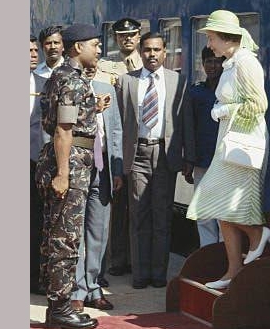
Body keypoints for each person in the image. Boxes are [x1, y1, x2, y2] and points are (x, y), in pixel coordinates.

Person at [185, 10, 270, 290]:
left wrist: (223, 110)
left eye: (211, 38)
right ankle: (232, 271)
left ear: (226, 37)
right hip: (230, 141)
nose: (209, 44)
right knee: (220, 207)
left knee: (214, 198)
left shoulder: (246, 63)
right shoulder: (232, 63)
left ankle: (258, 234)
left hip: (242, 146)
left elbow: (259, 105)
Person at [35, 23, 103, 329]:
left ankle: (57, 305)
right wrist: (63, 174)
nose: (99, 50)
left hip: (69, 157)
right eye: (95, 45)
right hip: (70, 161)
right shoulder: (71, 80)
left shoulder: (64, 77)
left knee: (56, 234)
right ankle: (61, 307)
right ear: (78, 48)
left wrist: (94, 109)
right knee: (65, 236)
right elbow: (63, 129)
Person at [115, 32, 193, 289]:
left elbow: (186, 123)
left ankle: (159, 274)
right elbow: (119, 124)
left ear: (165, 53)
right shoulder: (127, 81)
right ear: (141, 50)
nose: (152, 54)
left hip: (165, 154)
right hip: (137, 154)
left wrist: (188, 157)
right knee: (139, 215)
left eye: (157, 50)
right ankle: (140, 273)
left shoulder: (177, 82)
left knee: (162, 216)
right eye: (147, 49)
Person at [70, 64, 123, 312]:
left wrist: (118, 169)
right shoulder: (71, 90)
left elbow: (116, 131)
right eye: (86, 66)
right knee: (77, 233)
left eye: (94, 67)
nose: (90, 69)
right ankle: (78, 290)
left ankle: (93, 287)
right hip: (78, 168)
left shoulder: (106, 88)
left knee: (99, 232)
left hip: (103, 169)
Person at [98, 17, 143, 278]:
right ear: (116, 39)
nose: (128, 39)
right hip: (116, 142)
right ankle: (117, 259)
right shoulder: (107, 68)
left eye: (133, 35)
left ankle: (136, 259)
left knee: (138, 205)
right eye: (123, 36)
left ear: (139, 37)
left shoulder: (149, 64)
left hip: (137, 143)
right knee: (116, 206)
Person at [182, 46, 224, 247]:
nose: (213, 66)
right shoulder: (196, 92)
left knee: (224, 212)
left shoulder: (229, 92)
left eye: (217, 61)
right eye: (209, 61)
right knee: (204, 212)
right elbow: (189, 129)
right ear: (203, 64)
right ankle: (208, 253)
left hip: (225, 162)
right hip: (202, 161)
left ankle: (226, 254)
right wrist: (189, 159)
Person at [30, 35, 48, 294]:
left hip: (34, 160)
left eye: (35, 50)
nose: (34, 54)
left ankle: (34, 277)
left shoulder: (45, 83)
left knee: (34, 221)